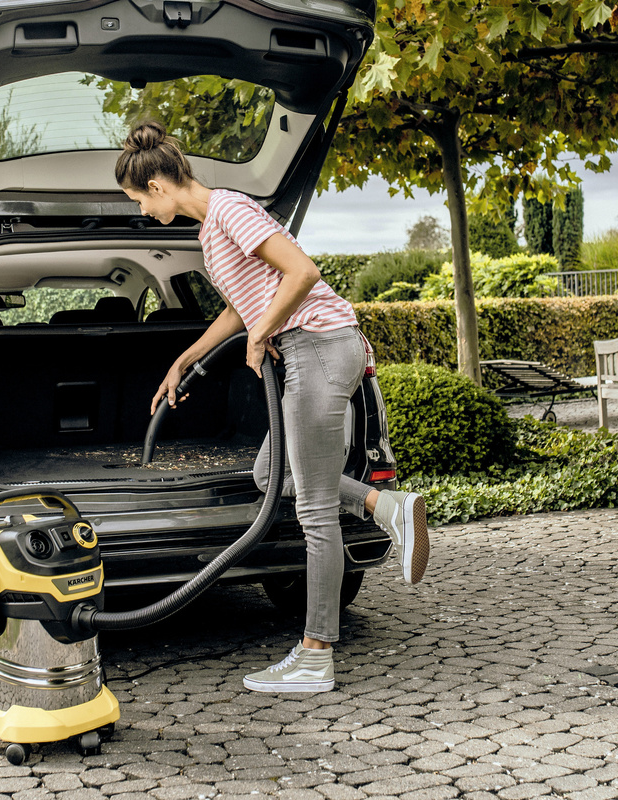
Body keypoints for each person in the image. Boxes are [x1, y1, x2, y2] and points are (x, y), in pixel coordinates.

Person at [114, 121, 429, 693]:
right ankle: (386, 507)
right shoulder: (212, 230)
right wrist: (187, 357)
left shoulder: (230, 210)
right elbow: (242, 306)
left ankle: (316, 653)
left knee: (312, 509)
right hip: (309, 351)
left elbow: (302, 273)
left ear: (158, 185)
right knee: (270, 474)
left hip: (319, 346)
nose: (141, 212)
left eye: (138, 200)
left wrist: (261, 335)